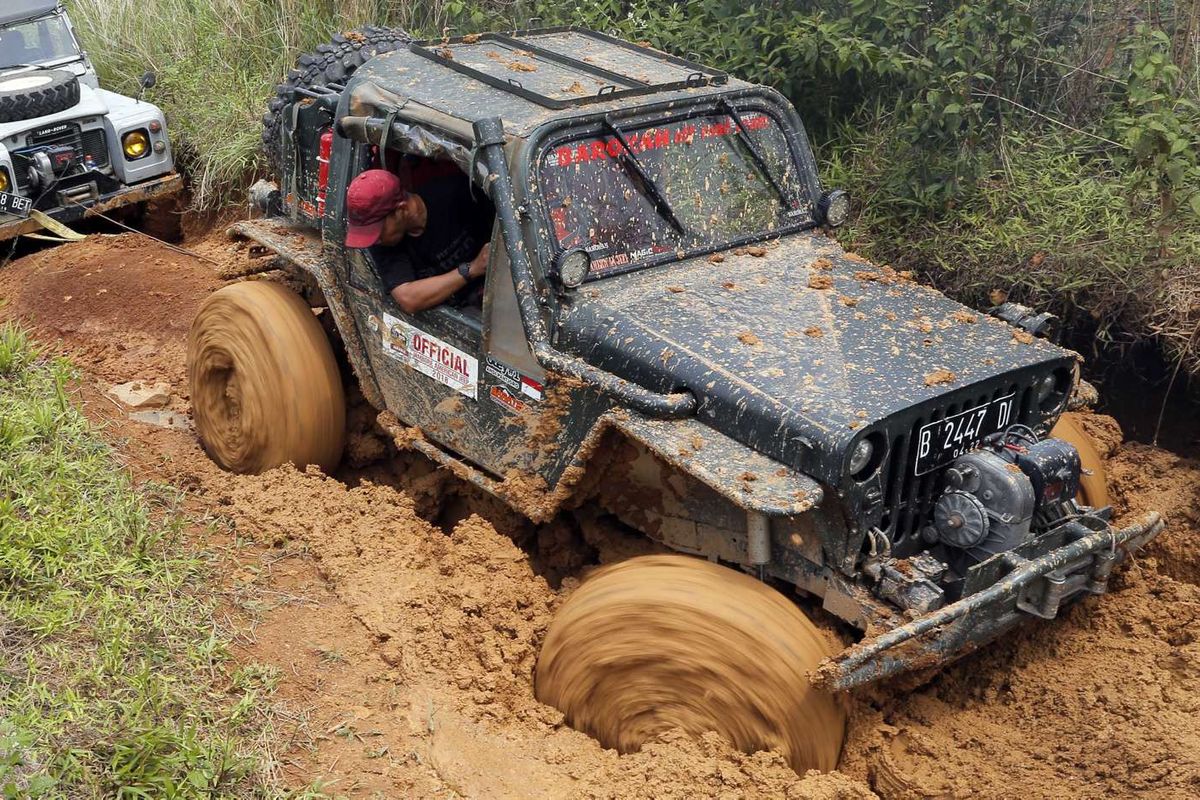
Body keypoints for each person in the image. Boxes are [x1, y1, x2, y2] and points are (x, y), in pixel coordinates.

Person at [345, 167, 494, 313]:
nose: (374, 240)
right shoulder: (383, 242)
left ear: (401, 209)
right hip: (462, 305)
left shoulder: (456, 194)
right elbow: (408, 299)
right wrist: (472, 269)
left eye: (377, 230)